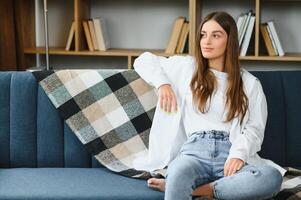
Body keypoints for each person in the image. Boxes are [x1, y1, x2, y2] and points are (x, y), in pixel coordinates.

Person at [133, 11, 285, 200]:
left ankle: (202, 190)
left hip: (230, 153)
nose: (206, 41)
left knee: (271, 178)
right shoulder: (188, 68)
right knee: (178, 171)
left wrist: (238, 154)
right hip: (193, 154)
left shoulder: (250, 83)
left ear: (229, 40)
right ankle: (180, 182)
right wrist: (162, 83)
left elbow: (255, 128)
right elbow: (143, 60)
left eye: (216, 35)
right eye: (203, 35)